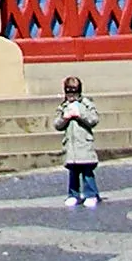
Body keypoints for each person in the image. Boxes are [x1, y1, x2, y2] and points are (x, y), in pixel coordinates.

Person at [59, 74, 101, 208]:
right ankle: (73, 194)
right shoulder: (63, 106)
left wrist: (80, 115)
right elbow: (57, 124)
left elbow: (93, 120)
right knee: (73, 173)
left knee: (87, 172)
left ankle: (91, 194)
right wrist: (65, 118)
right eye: (68, 92)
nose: (71, 96)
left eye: (74, 92)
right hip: (71, 146)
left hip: (84, 144)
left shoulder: (86, 104)